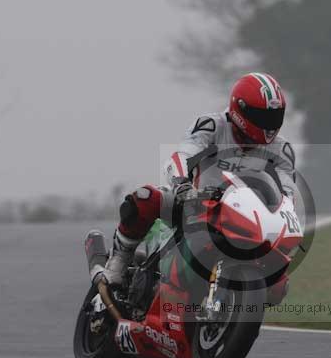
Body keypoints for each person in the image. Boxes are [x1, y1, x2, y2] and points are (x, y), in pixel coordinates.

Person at [87, 72, 297, 287]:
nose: (269, 125)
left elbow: (287, 195)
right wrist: (182, 184)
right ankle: (118, 262)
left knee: (280, 283)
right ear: (240, 109)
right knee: (145, 197)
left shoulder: (282, 150)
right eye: (263, 117)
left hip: (245, 219)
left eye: (274, 117)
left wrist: (285, 222)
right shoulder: (212, 126)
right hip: (195, 203)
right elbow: (182, 155)